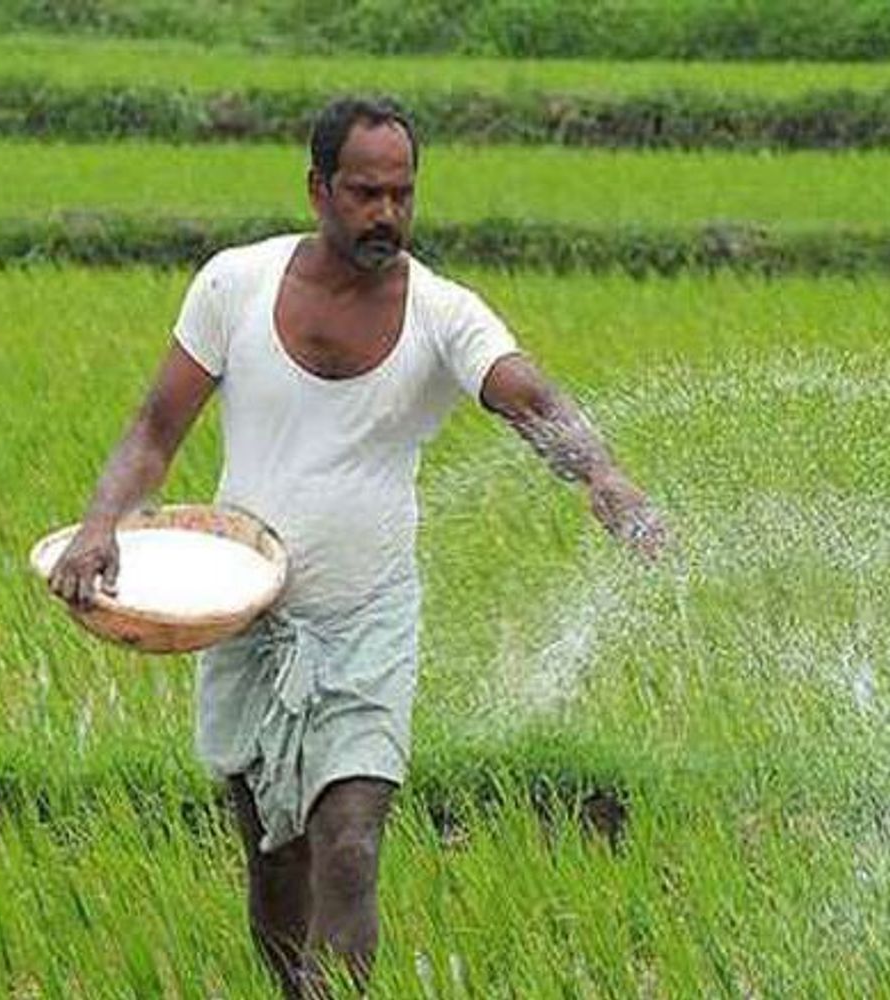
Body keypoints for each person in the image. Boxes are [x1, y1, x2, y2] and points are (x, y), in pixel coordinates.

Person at [48, 96, 666, 998]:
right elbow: (154, 428)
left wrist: (604, 478)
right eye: (366, 193)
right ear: (318, 189)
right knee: (276, 860)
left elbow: (526, 395)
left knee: (349, 841)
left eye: (403, 194)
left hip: (366, 618)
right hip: (244, 618)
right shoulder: (235, 286)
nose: (387, 214)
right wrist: (103, 522)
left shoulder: (444, 313)